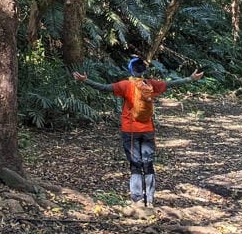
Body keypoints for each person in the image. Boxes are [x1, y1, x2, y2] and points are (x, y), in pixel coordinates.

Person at [72, 56, 204, 211]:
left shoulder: (125, 85)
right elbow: (170, 84)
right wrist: (191, 78)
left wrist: (85, 81)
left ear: (130, 70)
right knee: (148, 164)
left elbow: (104, 87)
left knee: (135, 165)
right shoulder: (151, 84)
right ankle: (150, 199)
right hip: (147, 130)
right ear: (143, 71)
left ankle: (137, 200)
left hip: (130, 131)